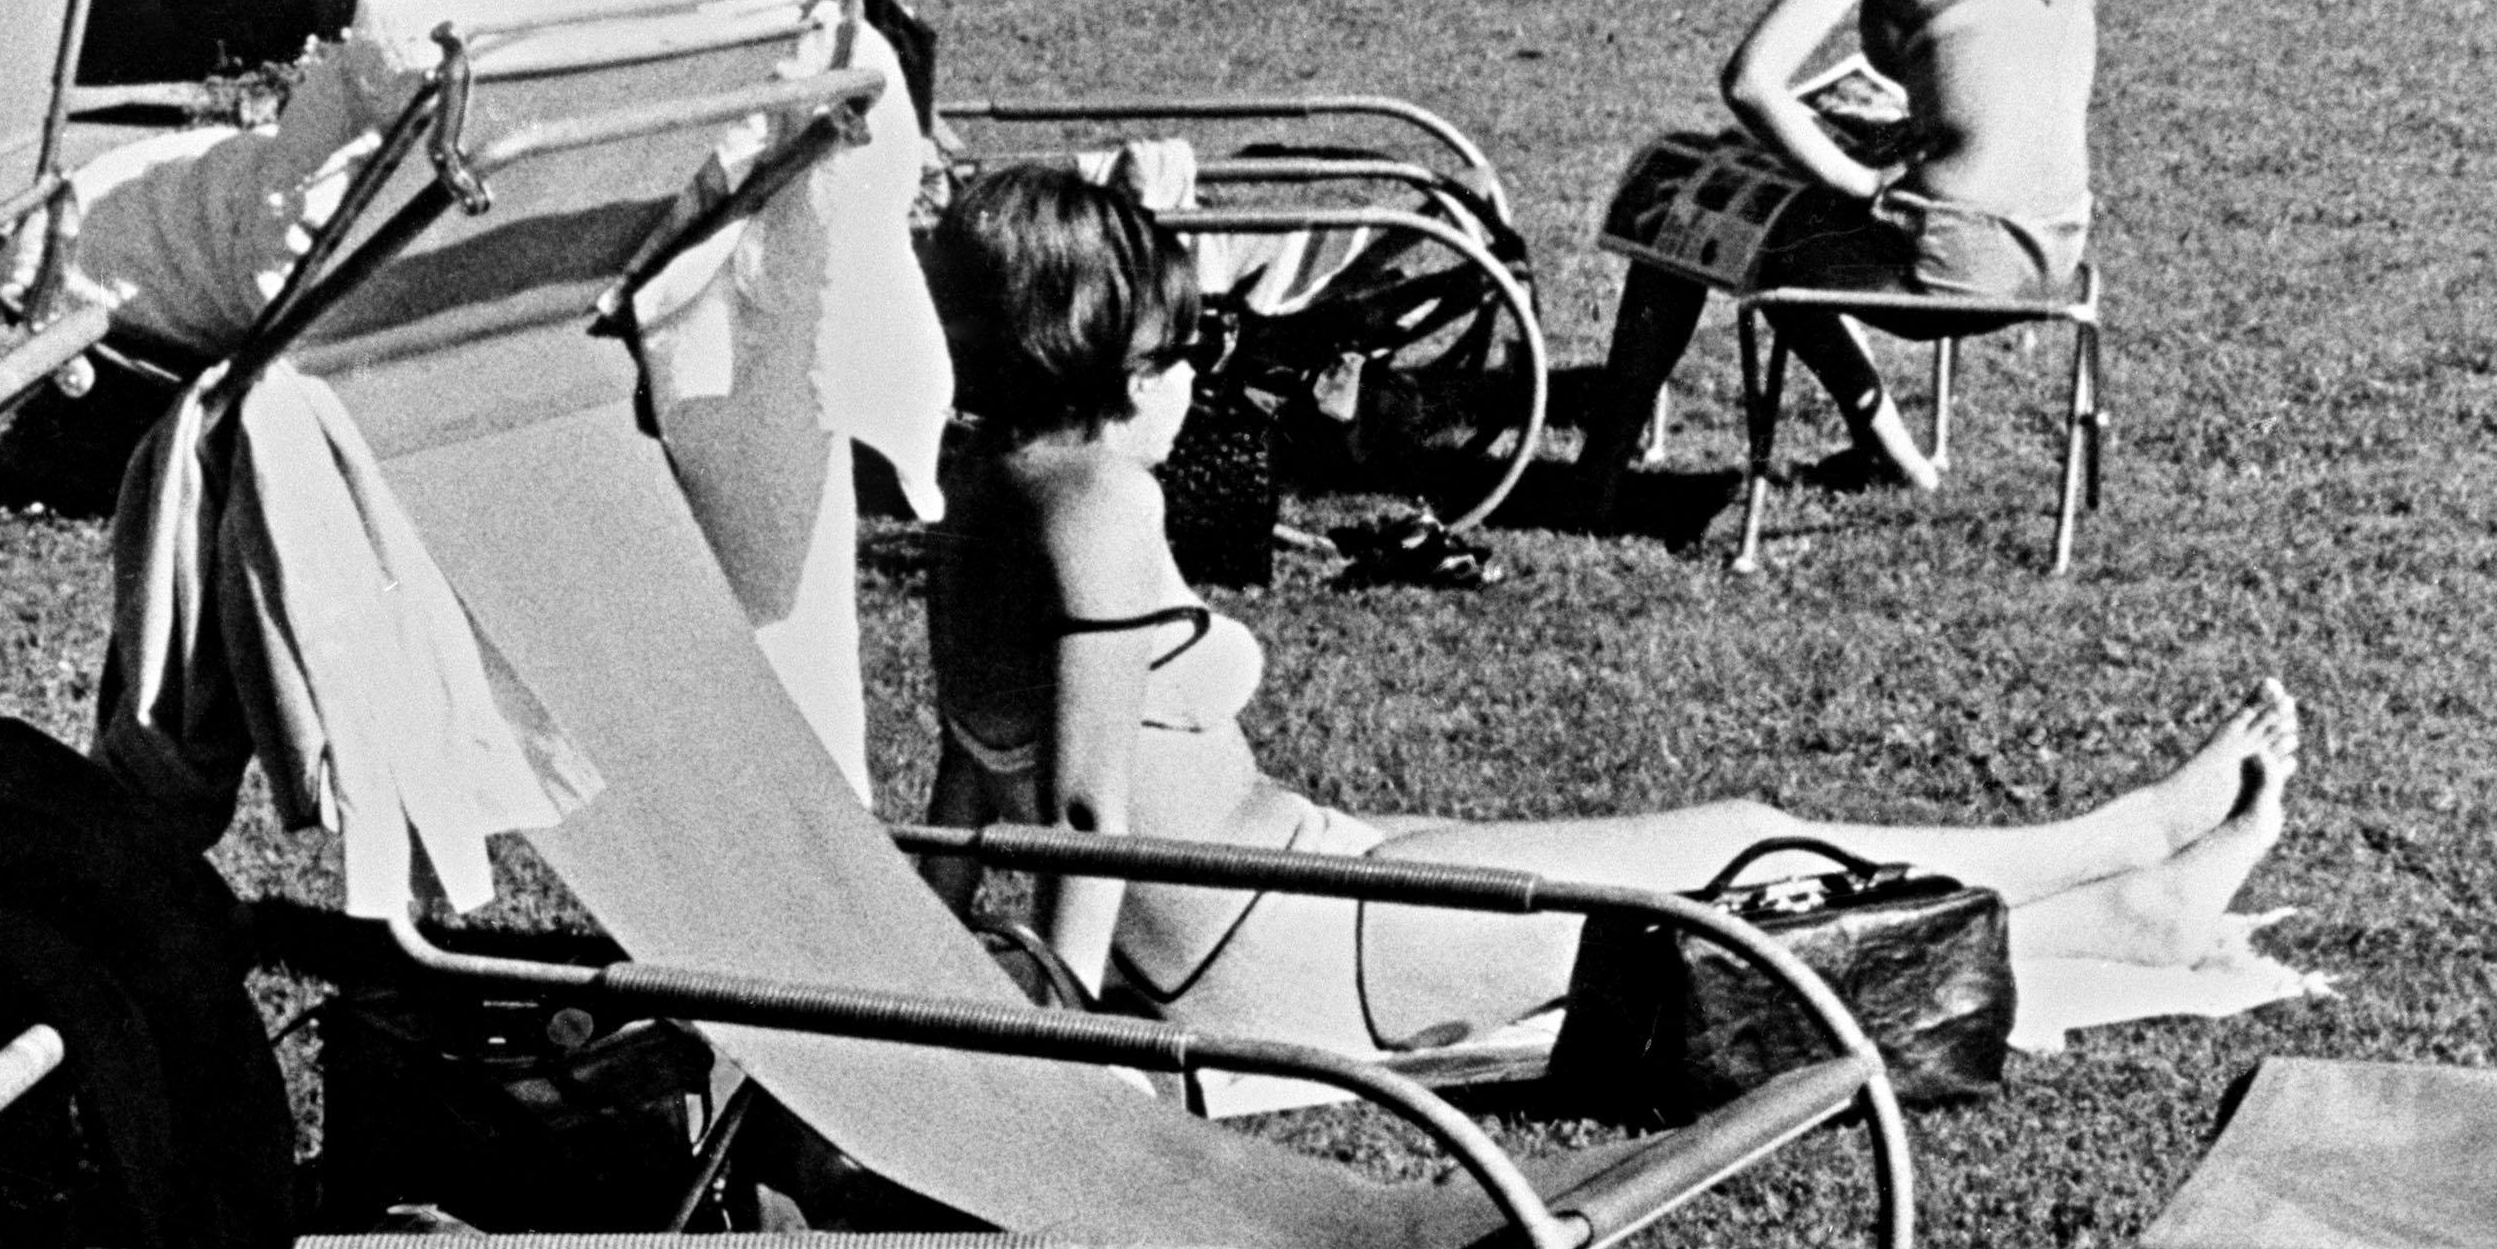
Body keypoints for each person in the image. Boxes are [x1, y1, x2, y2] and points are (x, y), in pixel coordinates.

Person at [922, 161, 2294, 1062]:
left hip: (1307, 879)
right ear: (1104, 358)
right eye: (1180, 351)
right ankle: (2119, 844)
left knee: (1713, 871)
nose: (1192, 384)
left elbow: (971, 771)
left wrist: (914, 953)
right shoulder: (1099, 500)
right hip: (1280, 941)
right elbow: (1085, 813)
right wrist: (1062, 1038)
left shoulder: (979, 497)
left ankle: (2125, 894)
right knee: (1741, 854)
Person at [1578, 0, 2095, 506]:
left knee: (1686, 206)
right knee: (1780, 222)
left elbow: (1752, 81)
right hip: (2054, 248)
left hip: (1950, 259)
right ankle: (1891, 455)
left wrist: (1858, 184)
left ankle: (1596, 477)